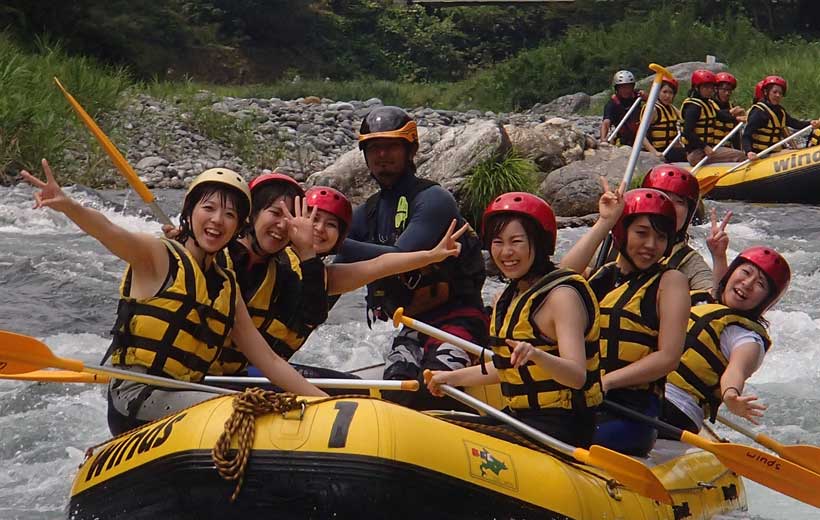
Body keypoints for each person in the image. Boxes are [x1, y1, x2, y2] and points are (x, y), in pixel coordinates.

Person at [21, 162, 327, 435]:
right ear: (190, 212)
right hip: (135, 396)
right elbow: (108, 230)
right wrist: (69, 206)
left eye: (230, 214)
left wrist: (324, 403)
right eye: (209, 209)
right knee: (241, 409)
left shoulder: (226, 287)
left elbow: (270, 361)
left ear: (237, 227)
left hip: (186, 391)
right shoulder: (158, 256)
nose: (218, 220)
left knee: (260, 405)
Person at [335, 105, 488, 409]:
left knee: (435, 389)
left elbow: (402, 256)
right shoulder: (369, 212)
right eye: (374, 148)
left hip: (459, 323)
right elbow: (333, 275)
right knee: (396, 391)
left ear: (411, 149)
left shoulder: (433, 200)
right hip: (413, 328)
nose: (382, 156)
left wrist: (333, 241)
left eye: (391, 146)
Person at [427, 193, 602, 447]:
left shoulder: (562, 297)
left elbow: (577, 376)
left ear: (539, 243)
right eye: (497, 242)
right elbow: (506, 368)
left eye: (516, 241)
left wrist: (537, 355)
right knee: (436, 423)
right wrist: (451, 378)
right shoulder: (507, 298)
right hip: (521, 418)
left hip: (562, 426)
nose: (506, 252)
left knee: (455, 442)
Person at [561, 184, 690, 456]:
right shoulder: (602, 275)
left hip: (632, 410)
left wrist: (607, 381)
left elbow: (668, 357)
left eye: (660, 237)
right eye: (641, 233)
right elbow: (555, 282)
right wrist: (604, 222)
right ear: (621, 233)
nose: (651, 245)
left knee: (565, 435)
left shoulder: (671, 282)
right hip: (579, 399)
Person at [663, 243, 790, 433]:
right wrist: (719, 256)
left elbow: (737, 370)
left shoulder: (745, 337)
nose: (747, 284)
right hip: (644, 386)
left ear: (765, 300)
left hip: (675, 407)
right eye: (746, 272)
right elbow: (718, 290)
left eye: (760, 284)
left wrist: (731, 394)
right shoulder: (702, 301)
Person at [641, 164, 717, 291]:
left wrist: (719, 258)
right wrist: (604, 223)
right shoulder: (613, 241)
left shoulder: (690, 261)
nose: (670, 206)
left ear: (689, 213)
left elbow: (712, 298)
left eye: (679, 202)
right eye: (662, 197)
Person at [742, 75, 820, 160]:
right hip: (760, 154)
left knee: (796, 152)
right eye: (774, 92)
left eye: (780, 93)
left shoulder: (780, 111)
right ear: (766, 92)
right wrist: (749, 152)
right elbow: (746, 135)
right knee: (795, 154)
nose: (778, 95)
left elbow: (795, 123)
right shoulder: (758, 112)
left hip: (775, 152)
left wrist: (810, 123)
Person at [680, 69, 746, 166]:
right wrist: (705, 147)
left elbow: (720, 116)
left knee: (736, 153)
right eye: (706, 87)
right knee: (740, 156)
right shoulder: (693, 107)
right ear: (697, 88)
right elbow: (687, 132)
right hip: (697, 154)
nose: (709, 90)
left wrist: (737, 119)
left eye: (711, 87)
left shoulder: (707, 104)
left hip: (705, 150)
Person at [641, 76, 686, 163]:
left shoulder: (672, 108)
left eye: (671, 93)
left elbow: (684, 120)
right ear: (658, 92)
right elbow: (641, 136)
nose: (667, 96)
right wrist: (654, 152)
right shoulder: (652, 109)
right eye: (664, 92)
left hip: (671, 149)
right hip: (659, 150)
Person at [601, 70, 643, 146]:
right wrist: (603, 139)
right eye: (623, 87)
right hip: (623, 138)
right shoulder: (612, 104)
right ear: (617, 88)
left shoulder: (638, 95)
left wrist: (646, 96)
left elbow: (655, 103)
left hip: (641, 135)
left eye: (629, 87)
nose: (626, 90)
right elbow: (606, 123)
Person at [711, 72, 745, 150]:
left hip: (727, 148)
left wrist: (739, 150)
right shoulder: (709, 105)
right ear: (716, 89)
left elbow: (736, 134)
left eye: (730, 90)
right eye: (724, 89)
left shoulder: (732, 106)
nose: (727, 93)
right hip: (711, 148)